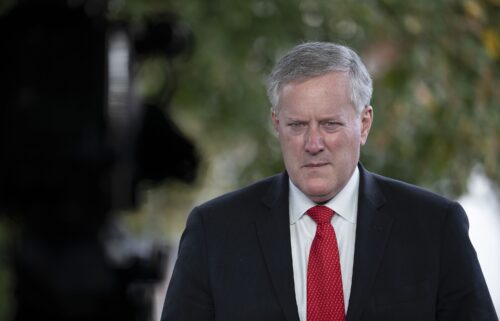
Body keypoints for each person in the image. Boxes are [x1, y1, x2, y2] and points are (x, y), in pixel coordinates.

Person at [160, 42, 498, 321]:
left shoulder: (434, 227)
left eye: (330, 125)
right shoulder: (214, 231)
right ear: (276, 124)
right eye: (297, 125)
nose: (313, 143)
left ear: (364, 124)